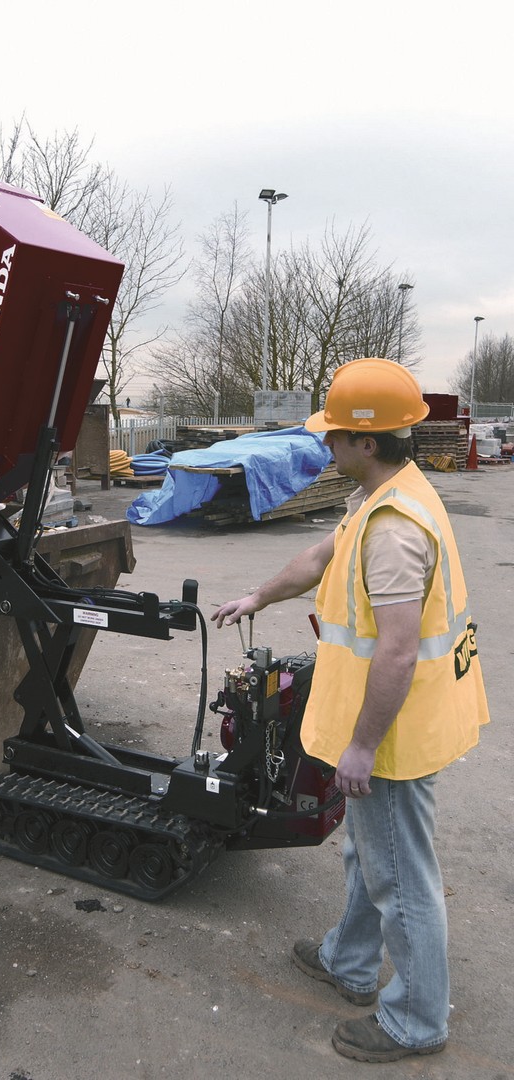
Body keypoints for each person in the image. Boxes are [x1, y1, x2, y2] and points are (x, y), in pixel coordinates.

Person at [211, 357, 490, 1063]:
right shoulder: (386, 493)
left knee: (401, 876)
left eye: (334, 434)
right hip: (396, 723)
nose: (324, 443)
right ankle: (351, 960)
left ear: (367, 441)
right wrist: (258, 597)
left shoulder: (395, 530)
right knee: (373, 851)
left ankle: (417, 1020)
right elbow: (318, 557)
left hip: (393, 735)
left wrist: (362, 748)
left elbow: (396, 653)